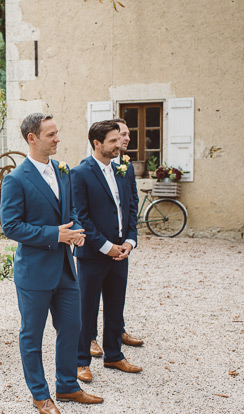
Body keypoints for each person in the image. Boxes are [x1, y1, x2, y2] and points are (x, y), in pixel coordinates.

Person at [0, 113, 103, 414]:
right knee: (32, 335)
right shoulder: (16, 179)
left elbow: (70, 213)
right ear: (32, 138)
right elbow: (11, 226)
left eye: (57, 133)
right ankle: (39, 395)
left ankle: (68, 386)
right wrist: (55, 235)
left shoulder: (63, 170)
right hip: (34, 272)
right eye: (50, 135)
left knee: (73, 326)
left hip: (66, 270)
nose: (58, 139)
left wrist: (76, 235)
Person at [71, 120, 141, 383]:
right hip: (93, 254)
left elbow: (130, 208)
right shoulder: (80, 173)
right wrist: (105, 246)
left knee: (115, 306)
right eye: (112, 140)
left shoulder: (122, 169)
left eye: (119, 139)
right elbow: (81, 216)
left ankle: (114, 355)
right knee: (86, 309)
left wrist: (129, 242)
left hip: (121, 252)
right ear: (97, 143)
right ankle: (80, 361)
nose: (118, 144)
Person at [89, 118, 143, 358]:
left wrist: (130, 240)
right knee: (90, 299)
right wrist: (106, 245)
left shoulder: (126, 166)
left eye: (127, 134)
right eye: (122, 134)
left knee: (116, 297)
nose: (126, 138)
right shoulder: (88, 168)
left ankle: (117, 333)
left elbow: (131, 203)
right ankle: (90, 337)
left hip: (122, 245)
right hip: (97, 248)